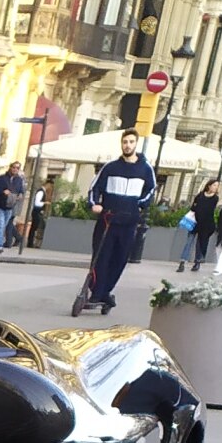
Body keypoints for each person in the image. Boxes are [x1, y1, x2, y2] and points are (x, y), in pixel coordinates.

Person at [75, 129, 156, 315]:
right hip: (108, 219)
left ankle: (105, 292)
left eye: (131, 142)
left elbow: (151, 191)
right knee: (101, 257)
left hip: (128, 222)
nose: (127, 145)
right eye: (125, 142)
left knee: (119, 259)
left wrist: (139, 205)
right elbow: (94, 188)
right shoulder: (110, 167)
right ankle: (96, 292)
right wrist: (94, 204)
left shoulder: (145, 169)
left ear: (136, 144)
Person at [178, 178, 219, 271]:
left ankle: (197, 262)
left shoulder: (215, 198)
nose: (215, 187)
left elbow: (209, 211)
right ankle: (182, 262)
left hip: (205, 224)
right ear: (209, 185)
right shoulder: (200, 195)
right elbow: (193, 207)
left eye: (217, 186)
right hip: (195, 223)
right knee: (188, 242)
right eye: (214, 185)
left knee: (199, 244)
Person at [0, 159, 26, 251]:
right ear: (10, 168)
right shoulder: (1, 178)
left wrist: (20, 194)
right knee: (1, 226)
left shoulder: (19, 180)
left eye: (17, 168)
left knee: (1, 227)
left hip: (10, 206)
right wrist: (2, 191)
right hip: (0, 206)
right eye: (13, 167)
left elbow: (21, 190)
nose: (15, 169)